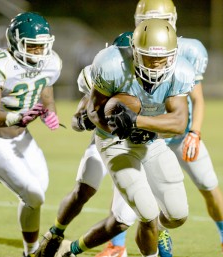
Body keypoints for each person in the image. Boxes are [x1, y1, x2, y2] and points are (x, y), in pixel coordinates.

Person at [37, 18, 195, 257]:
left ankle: (73, 248)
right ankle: (58, 234)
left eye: (163, 58)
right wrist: (113, 124)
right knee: (146, 212)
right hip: (115, 142)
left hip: (150, 139)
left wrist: (137, 123)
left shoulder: (180, 71)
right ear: (134, 51)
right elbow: (92, 110)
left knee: (177, 214)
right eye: (150, 57)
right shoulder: (111, 64)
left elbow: (179, 122)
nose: (156, 65)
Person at [95, 1, 223, 257]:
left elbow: (196, 99)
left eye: (162, 18)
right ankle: (117, 245)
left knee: (207, 183)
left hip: (179, 133)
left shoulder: (190, 52)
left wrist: (194, 131)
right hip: (144, 138)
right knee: (127, 192)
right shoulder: (127, 51)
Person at [0, 12, 62, 257]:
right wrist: (15, 117)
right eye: (33, 46)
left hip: (19, 136)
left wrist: (49, 114)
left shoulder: (50, 62)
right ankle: (32, 252)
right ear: (16, 42)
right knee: (33, 194)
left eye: (42, 47)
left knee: (40, 188)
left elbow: (46, 96)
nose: (39, 53)